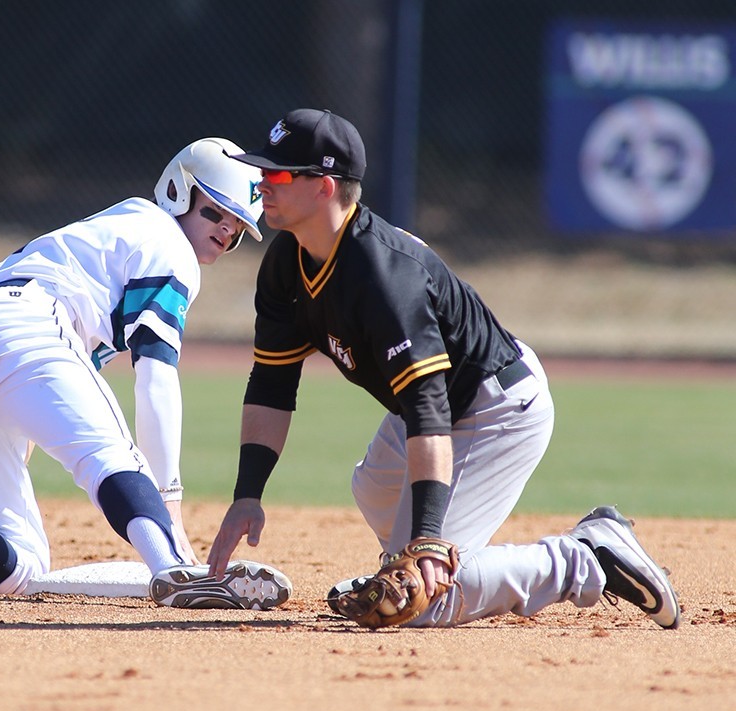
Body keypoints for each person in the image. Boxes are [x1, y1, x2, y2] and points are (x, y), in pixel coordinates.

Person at [205, 109, 679, 628]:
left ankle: (585, 558)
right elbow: (272, 382)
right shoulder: (284, 264)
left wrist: (428, 544)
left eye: (276, 174)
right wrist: (247, 493)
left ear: (323, 186)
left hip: (493, 405)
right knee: (374, 488)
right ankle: (406, 566)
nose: (261, 184)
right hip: (433, 404)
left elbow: (428, 407)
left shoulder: (385, 279)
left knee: (428, 602)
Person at [0, 137, 292, 611]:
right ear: (179, 191)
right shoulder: (169, 244)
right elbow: (155, 379)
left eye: (237, 227)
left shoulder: (121, 228)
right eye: (216, 213)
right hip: (21, 324)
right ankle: (174, 569)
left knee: (21, 565)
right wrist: (168, 504)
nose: (227, 231)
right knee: (111, 455)